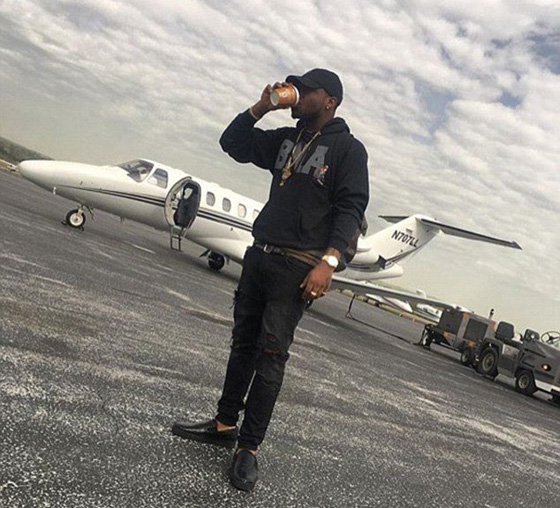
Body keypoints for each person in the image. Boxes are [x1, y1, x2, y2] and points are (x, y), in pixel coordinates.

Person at [172, 68, 370, 492]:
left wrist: (328, 262)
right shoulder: (287, 140)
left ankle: (249, 448)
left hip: (297, 267)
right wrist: (261, 107)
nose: (297, 93)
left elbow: (351, 209)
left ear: (330, 100)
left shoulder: (349, 150)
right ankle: (224, 424)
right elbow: (232, 143)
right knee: (242, 344)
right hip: (260, 255)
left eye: (307, 89)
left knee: (271, 355)